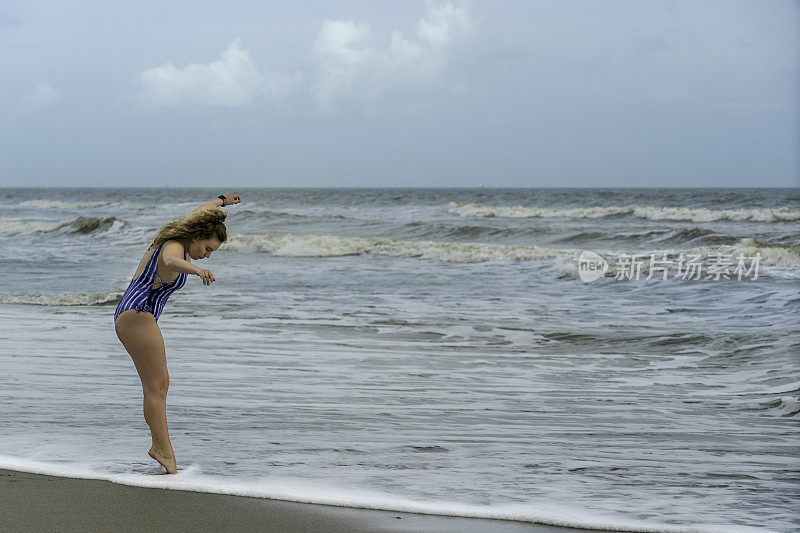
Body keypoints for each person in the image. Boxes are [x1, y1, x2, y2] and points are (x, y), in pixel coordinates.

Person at [114, 193, 241, 473]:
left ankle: (162, 448)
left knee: (159, 386)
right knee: (157, 387)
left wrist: (221, 200)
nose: (207, 254)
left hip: (136, 314)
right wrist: (197, 269)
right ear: (196, 237)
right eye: (208, 249)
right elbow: (170, 262)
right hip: (137, 314)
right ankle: (163, 450)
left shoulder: (185, 235)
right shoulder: (172, 245)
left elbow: (199, 212)